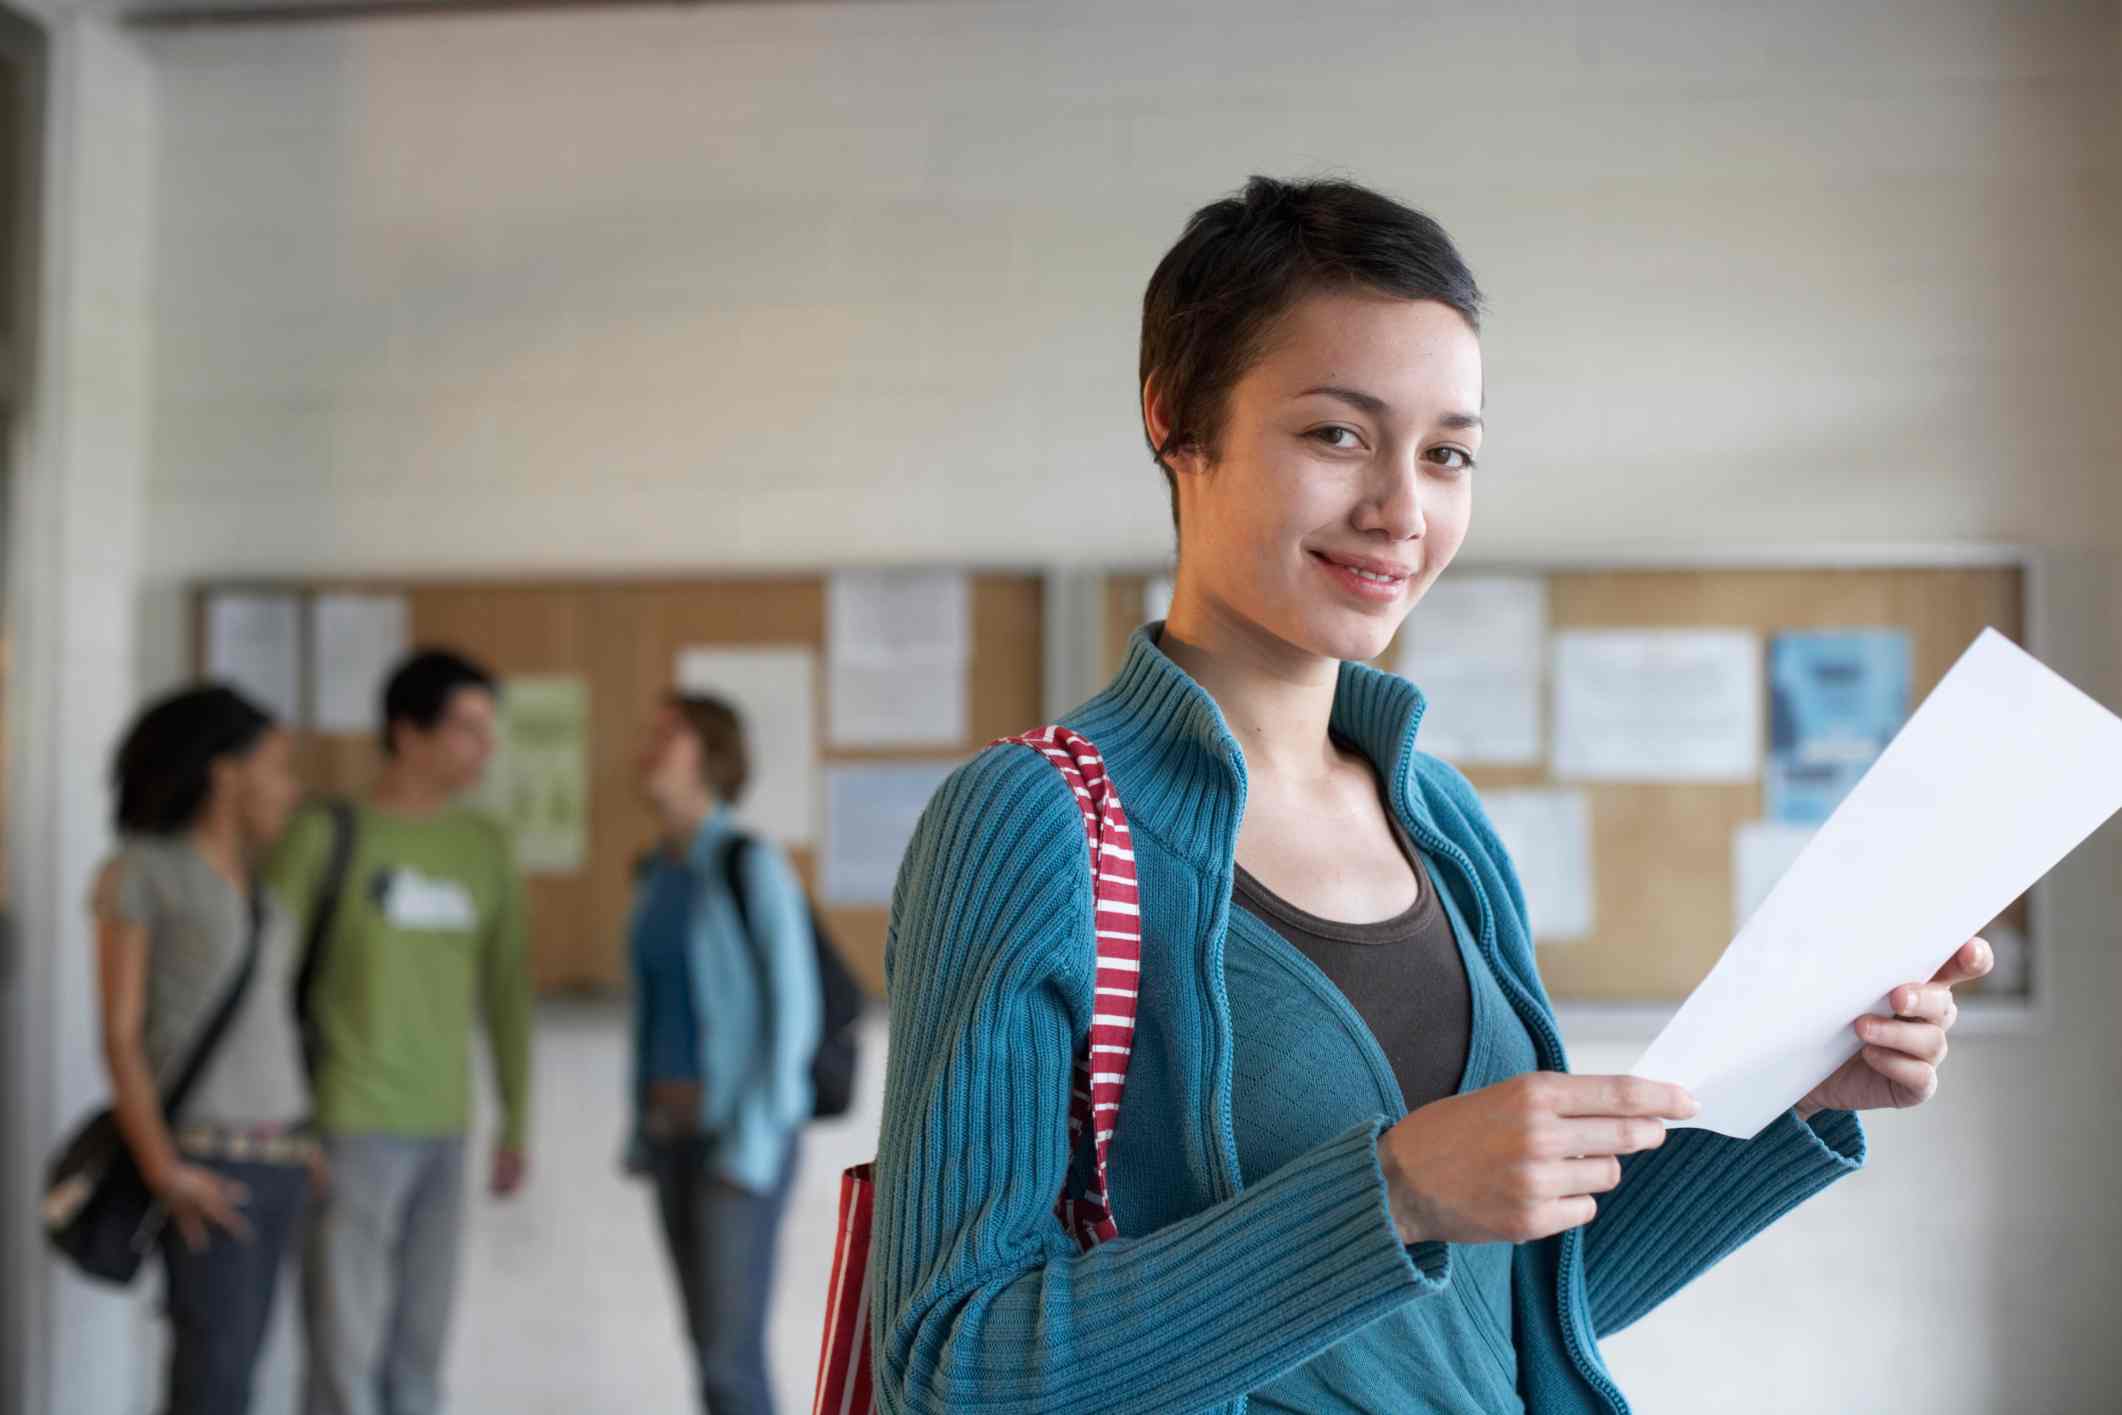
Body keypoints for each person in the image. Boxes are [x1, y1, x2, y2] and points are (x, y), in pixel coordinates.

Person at [866, 176, 1992, 1414]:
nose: (1401, 510)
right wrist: (1391, 1191)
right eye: (1337, 435)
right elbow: (948, 1364)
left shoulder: (1443, 825)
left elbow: (1501, 1312)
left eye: (1447, 453)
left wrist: (1799, 1088)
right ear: (1176, 421)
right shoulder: (1035, 820)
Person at [268, 648, 535, 1415]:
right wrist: (292, 1121)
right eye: (467, 727)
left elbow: (508, 993)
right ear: (407, 731)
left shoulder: (484, 845)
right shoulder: (324, 835)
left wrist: (517, 1119)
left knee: (418, 1359)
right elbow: (265, 989)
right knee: (342, 1360)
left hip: (444, 1128)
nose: (485, 748)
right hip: (346, 1125)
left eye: (492, 730)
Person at [89, 684, 311, 1415]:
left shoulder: (259, 887)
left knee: (245, 1375)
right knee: (213, 1383)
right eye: (277, 767)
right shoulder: (145, 871)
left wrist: (300, 1138)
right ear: (225, 773)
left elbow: (268, 1027)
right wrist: (164, 1169)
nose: (291, 787)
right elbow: (120, 1037)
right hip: (208, 1165)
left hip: (278, 1160)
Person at [627, 693, 820, 1415]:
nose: (648, 745)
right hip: (672, 1136)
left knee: (730, 1360)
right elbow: (654, 1011)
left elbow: (793, 1013)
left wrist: (754, 1135)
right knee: (707, 1353)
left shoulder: (748, 863)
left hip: (740, 1139)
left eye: (667, 733)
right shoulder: (656, 873)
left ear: (708, 755)